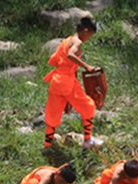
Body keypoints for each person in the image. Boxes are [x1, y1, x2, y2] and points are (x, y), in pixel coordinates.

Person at [43, 17, 103, 149]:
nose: (89, 38)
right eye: (90, 35)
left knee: (52, 113)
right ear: (86, 31)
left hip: (56, 81)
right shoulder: (77, 43)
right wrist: (86, 66)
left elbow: (58, 60)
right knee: (88, 106)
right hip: (67, 82)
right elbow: (70, 55)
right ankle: (87, 140)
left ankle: (47, 146)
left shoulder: (66, 40)